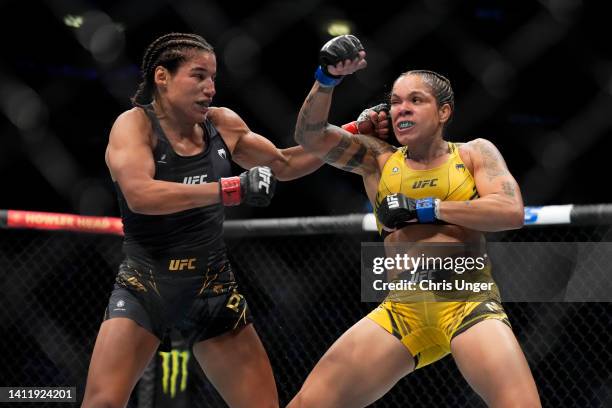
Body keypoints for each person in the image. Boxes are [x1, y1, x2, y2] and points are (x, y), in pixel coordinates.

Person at [289, 35, 541, 407]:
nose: (401, 109)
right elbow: (309, 137)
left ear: (444, 112)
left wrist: (427, 208)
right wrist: (326, 79)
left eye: (415, 100)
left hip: (467, 303)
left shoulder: (473, 153)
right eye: (394, 102)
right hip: (402, 310)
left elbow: (510, 212)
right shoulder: (379, 159)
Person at [81, 32, 323, 408]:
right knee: (102, 403)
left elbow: (285, 164)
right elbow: (141, 195)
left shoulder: (222, 124)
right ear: (162, 77)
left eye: (213, 78)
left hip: (212, 287)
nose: (210, 88)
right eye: (198, 76)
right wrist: (230, 189)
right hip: (147, 284)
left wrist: (352, 135)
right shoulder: (134, 126)